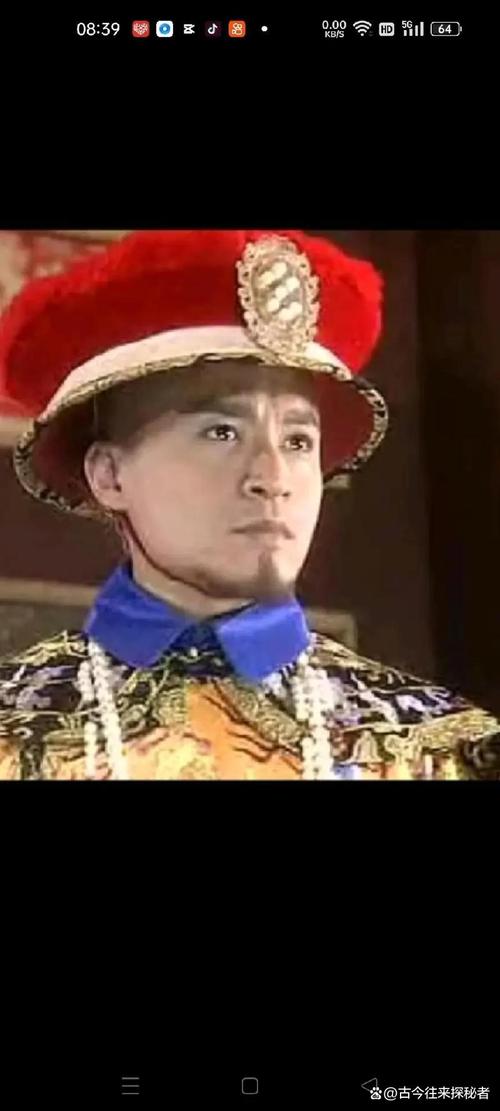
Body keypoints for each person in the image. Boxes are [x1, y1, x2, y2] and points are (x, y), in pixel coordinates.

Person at [0, 228, 498, 781]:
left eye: (298, 441)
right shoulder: (15, 736)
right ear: (110, 475)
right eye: (221, 432)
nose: (272, 478)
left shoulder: (438, 751)